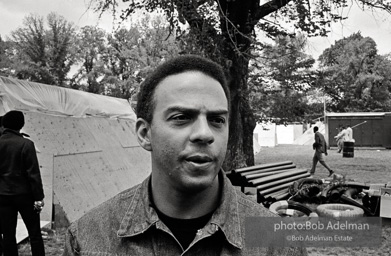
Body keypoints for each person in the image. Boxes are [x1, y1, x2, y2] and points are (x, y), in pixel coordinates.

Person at [63, 55, 307, 255]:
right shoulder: (88, 240)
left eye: (217, 120)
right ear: (145, 133)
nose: (204, 134)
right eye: (181, 117)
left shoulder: (280, 246)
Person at [0, 110, 45, 256]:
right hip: (25, 196)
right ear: (22, 125)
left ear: (4, 124)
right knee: (35, 234)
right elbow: (33, 174)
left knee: (8, 235)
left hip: (3, 196)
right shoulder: (26, 144)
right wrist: (39, 198)